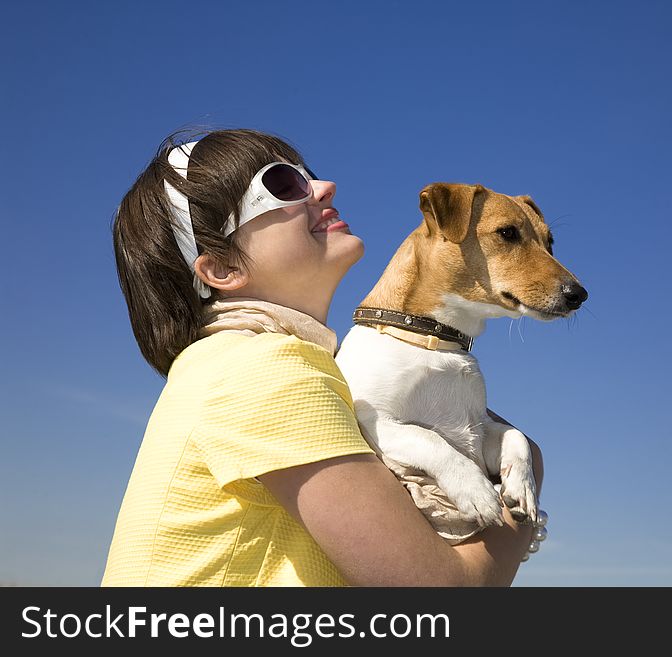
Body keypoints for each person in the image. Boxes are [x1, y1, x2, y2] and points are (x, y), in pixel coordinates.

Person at [103, 128, 543, 586]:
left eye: (308, 175)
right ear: (223, 268)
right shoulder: (267, 370)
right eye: (280, 185)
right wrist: (528, 470)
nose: (324, 186)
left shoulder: (225, 362)